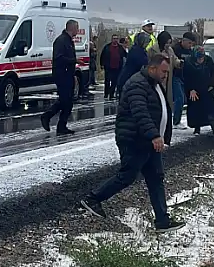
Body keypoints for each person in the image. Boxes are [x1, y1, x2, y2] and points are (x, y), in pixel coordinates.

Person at [79, 54, 186, 232]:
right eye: (164, 72)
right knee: (127, 176)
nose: (166, 75)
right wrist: (154, 135)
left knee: (156, 178)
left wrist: (162, 136)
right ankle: (92, 199)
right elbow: (140, 112)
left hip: (149, 143)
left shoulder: (153, 83)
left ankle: (162, 221)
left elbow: (161, 108)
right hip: (134, 140)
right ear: (152, 68)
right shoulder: (137, 84)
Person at [41, 19, 79, 135]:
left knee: (68, 102)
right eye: (77, 28)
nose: (78, 30)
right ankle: (47, 116)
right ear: (71, 28)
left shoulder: (69, 41)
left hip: (68, 75)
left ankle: (61, 126)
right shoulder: (61, 41)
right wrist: (73, 61)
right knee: (65, 100)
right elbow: (58, 58)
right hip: (62, 75)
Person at [184, 46, 214, 139]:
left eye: (202, 57)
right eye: (199, 58)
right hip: (194, 90)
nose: (201, 60)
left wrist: (211, 85)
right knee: (196, 110)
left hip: (207, 89)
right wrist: (190, 89)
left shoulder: (208, 60)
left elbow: (213, 74)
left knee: (211, 111)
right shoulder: (189, 62)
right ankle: (197, 128)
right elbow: (186, 78)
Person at [171, 32, 198, 125]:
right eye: (189, 43)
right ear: (184, 41)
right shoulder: (175, 49)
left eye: (192, 44)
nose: (190, 46)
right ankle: (176, 122)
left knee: (187, 100)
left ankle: (192, 121)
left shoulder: (191, 52)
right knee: (179, 99)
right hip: (176, 77)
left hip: (186, 78)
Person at [100, 35, 128, 100]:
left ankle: (112, 94)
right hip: (108, 66)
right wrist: (102, 64)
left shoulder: (120, 47)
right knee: (107, 81)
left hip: (117, 67)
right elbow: (102, 56)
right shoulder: (107, 47)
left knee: (114, 81)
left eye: (116, 39)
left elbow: (126, 55)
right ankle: (106, 94)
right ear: (112, 39)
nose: (115, 40)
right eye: (114, 38)